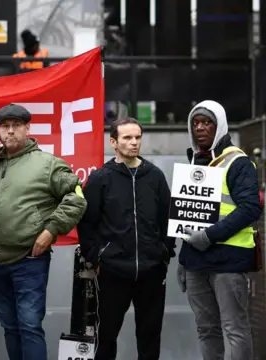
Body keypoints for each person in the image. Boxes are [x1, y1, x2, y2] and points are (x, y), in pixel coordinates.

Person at [0, 104, 86, 360]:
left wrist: (51, 230)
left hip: (29, 260)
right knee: (10, 328)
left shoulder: (47, 163)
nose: (11, 131)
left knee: (29, 327)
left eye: (16, 126)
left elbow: (76, 196)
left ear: (28, 128)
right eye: (5, 126)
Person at [77, 117, 175, 360]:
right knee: (107, 335)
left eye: (137, 137)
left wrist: (164, 252)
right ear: (114, 142)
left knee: (150, 336)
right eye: (127, 138)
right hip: (113, 272)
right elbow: (87, 223)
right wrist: (97, 257)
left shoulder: (155, 176)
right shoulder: (101, 178)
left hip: (151, 270)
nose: (134, 143)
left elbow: (168, 218)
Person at [176, 100, 262, 360]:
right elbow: (187, 215)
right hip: (196, 263)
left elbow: (250, 209)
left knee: (234, 329)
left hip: (229, 261)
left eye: (207, 122)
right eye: (196, 123)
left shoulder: (238, 163)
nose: (200, 128)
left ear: (220, 126)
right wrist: (184, 259)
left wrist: (209, 236)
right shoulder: (193, 163)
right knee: (206, 330)